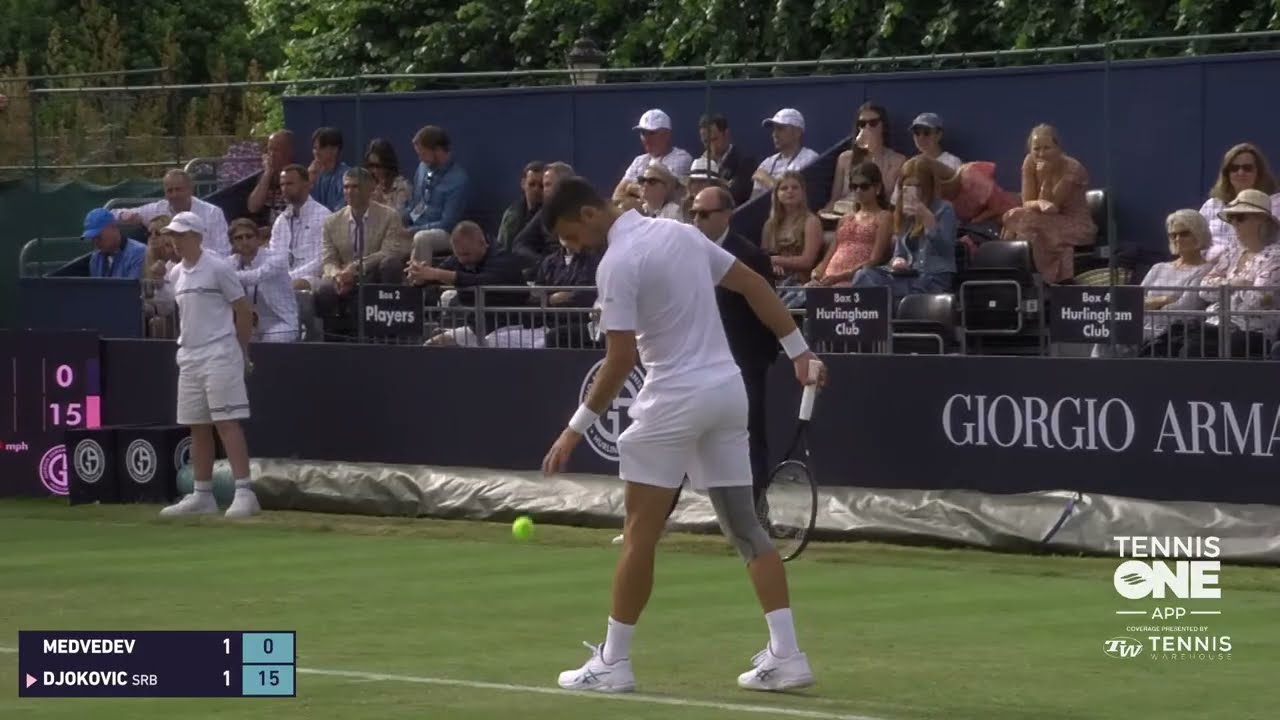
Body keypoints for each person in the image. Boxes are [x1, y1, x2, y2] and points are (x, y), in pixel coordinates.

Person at [540, 177, 825, 694]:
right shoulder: (683, 234)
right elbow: (757, 286)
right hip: (726, 392)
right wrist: (800, 352)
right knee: (745, 528)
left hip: (673, 400)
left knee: (638, 536)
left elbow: (620, 359)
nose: (576, 249)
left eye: (572, 237)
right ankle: (788, 655)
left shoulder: (616, 264)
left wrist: (573, 429)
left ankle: (613, 663)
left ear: (588, 214)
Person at [157, 211, 261, 519]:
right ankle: (202, 494)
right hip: (188, 356)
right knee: (197, 426)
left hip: (220, 352)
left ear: (196, 237)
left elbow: (242, 311)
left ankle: (244, 492)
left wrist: (242, 353)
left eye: (180, 235)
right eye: (172, 235)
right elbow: (161, 306)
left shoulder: (217, 267)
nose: (174, 240)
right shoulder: (174, 273)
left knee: (226, 423)